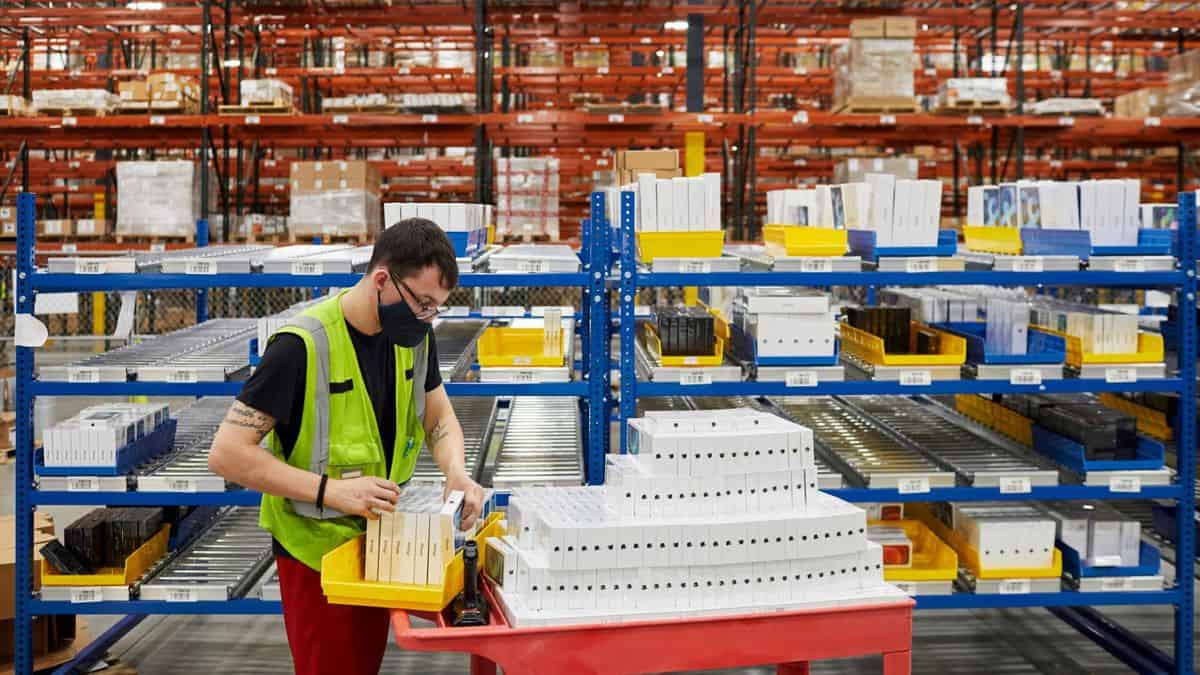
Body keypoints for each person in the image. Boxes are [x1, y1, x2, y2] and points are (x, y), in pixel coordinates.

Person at [209, 218, 486, 675]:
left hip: (375, 541)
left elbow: (438, 416)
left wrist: (455, 472)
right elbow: (227, 453)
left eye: (435, 308)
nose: (427, 318)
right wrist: (331, 491)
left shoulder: (412, 339)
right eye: (422, 304)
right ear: (382, 280)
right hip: (315, 555)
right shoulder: (301, 346)